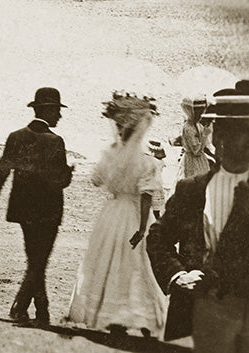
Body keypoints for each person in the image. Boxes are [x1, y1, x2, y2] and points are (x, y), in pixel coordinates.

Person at [147, 85, 249, 351]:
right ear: (220, 136)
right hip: (194, 314)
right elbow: (158, 238)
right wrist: (177, 275)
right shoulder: (191, 189)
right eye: (244, 130)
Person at [65, 93, 167, 337]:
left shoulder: (111, 153)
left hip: (111, 214)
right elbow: (146, 196)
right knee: (138, 265)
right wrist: (143, 228)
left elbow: (96, 180)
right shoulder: (147, 162)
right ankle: (141, 316)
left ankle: (114, 317)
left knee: (108, 263)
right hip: (133, 213)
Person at [0, 86, 74, 327]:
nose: (60, 116)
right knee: (39, 261)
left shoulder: (16, 137)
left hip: (23, 211)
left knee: (35, 259)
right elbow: (59, 182)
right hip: (49, 212)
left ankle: (41, 310)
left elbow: (0, 173)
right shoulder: (56, 141)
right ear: (49, 111)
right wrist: (69, 173)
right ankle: (20, 307)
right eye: (57, 111)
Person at [180, 98, 214, 178]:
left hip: (200, 159)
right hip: (192, 161)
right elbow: (196, 151)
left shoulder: (198, 125)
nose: (200, 115)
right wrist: (205, 135)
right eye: (197, 113)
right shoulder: (188, 128)